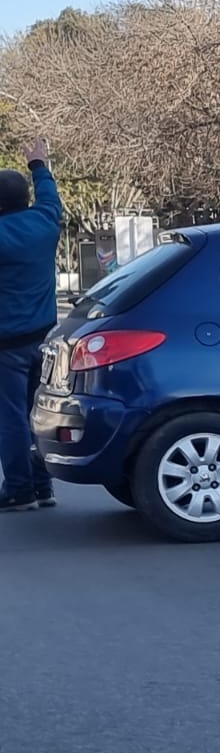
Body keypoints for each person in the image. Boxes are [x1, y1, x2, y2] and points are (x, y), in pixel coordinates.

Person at [0, 136, 62, 513]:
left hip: (6, 344)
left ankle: (19, 489)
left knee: (11, 419)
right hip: (44, 336)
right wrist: (38, 163)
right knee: (38, 414)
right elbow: (50, 195)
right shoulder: (45, 221)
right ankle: (43, 486)